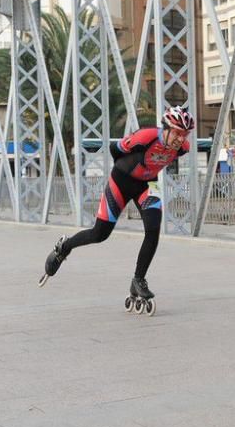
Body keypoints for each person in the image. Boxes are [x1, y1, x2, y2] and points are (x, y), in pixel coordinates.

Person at [38, 105, 195, 314]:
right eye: (176, 132)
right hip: (121, 181)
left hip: (147, 185)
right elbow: (116, 150)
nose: (180, 138)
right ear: (165, 128)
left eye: (184, 134)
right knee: (100, 234)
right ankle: (64, 247)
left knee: (153, 229)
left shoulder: (183, 147)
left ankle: (138, 279)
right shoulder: (146, 136)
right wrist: (127, 169)